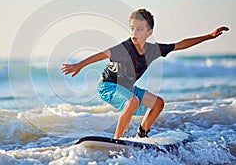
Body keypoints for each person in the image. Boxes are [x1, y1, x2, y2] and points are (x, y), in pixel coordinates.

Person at [61, 9, 229, 139]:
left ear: (149, 32)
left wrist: (209, 36)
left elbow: (180, 45)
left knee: (158, 103)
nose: (134, 33)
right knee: (132, 101)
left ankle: (141, 133)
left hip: (127, 88)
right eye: (132, 28)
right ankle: (117, 140)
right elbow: (101, 55)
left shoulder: (153, 50)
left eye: (140, 29)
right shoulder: (124, 48)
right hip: (107, 86)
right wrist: (79, 65)